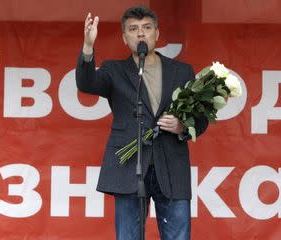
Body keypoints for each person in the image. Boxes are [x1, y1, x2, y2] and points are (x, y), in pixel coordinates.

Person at [76, 5, 208, 240]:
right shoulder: (114, 70)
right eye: (133, 29)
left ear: (157, 34)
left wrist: (182, 127)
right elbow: (86, 84)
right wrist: (88, 46)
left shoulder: (181, 71)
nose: (140, 34)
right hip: (129, 167)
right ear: (124, 38)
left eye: (147, 28)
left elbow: (200, 118)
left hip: (171, 166)